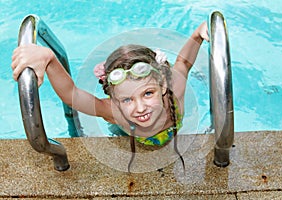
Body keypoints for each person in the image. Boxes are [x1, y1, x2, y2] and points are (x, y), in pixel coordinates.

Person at [12, 21, 209, 171]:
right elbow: (72, 95)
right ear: (114, 100)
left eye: (148, 93)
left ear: (163, 85)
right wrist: (49, 59)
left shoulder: (175, 91)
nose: (140, 108)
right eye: (127, 99)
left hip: (177, 125)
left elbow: (183, 63)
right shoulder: (114, 113)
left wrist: (198, 34)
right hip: (127, 131)